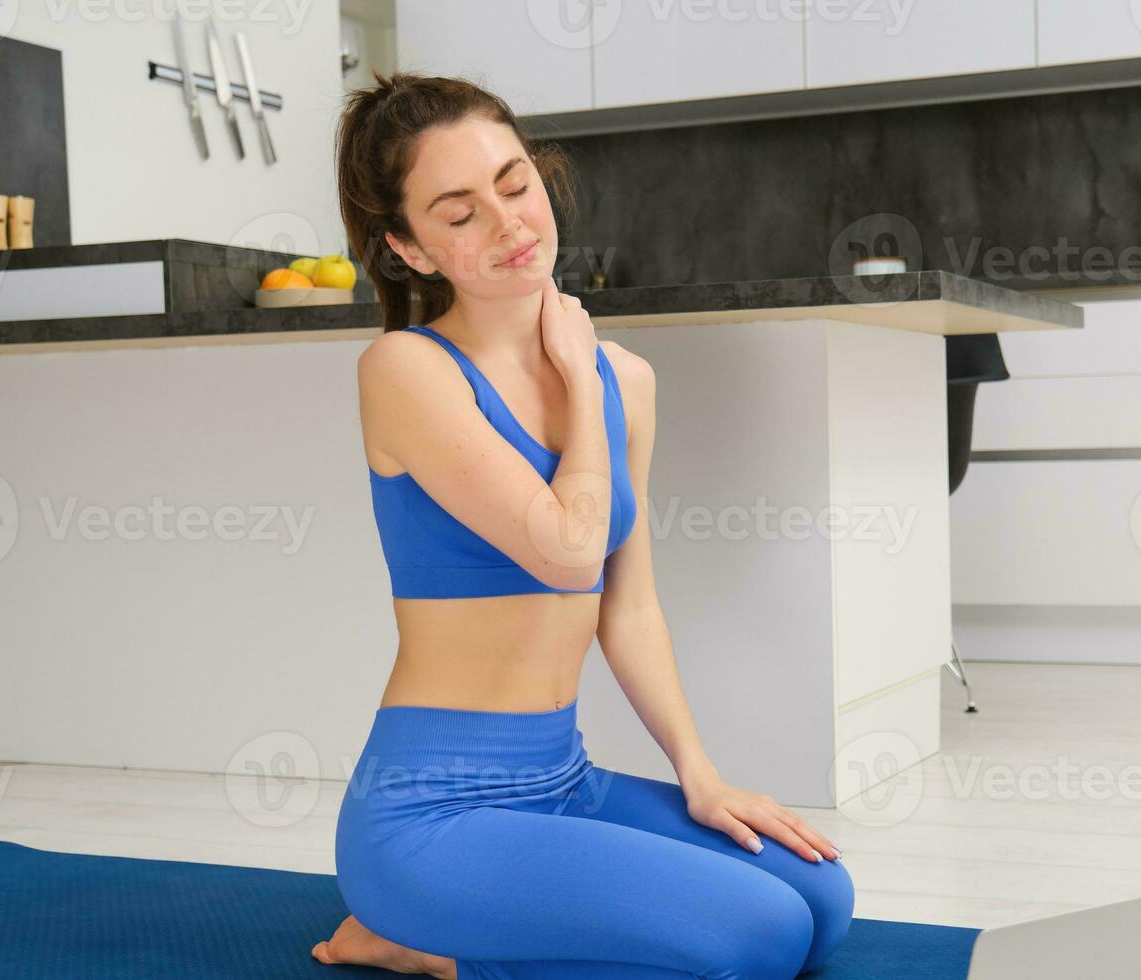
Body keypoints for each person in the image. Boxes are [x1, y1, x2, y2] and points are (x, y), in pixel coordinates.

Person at [311, 72, 854, 980]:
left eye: (514, 185)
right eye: (459, 213)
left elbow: (626, 607)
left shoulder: (627, 382)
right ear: (408, 246)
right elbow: (568, 550)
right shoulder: (406, 370)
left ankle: (460, 934)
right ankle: (428, 945)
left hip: (564, 783)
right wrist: (569, 366)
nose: (508, 224)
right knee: (758, 937)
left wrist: (700, 774)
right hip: (429, 814)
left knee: (820, 900)